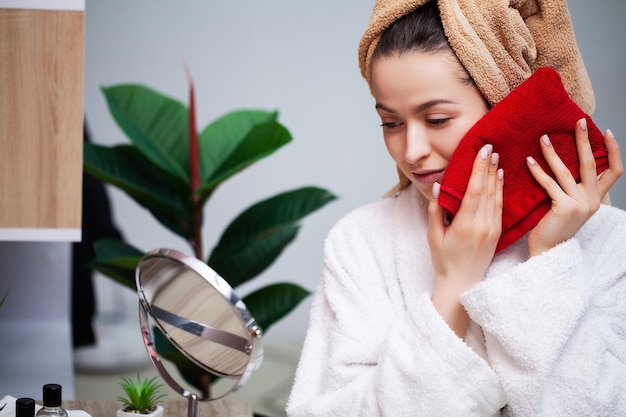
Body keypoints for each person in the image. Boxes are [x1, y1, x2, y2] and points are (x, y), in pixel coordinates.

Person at [286, 1, 626, 416]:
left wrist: (548, 261)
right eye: (390, 123)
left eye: (437, 119)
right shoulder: (359, 242)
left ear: (507, 104)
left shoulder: (610, 241)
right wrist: (450, 287)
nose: (411, 152)